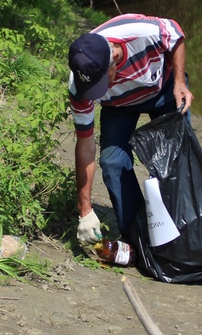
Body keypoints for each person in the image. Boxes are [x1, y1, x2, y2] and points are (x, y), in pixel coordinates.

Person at [67, 13, 193, 244]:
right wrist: (84, 210)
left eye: (101, 84)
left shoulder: (141, 32)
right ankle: (138, 237)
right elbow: (85, 146)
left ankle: (182, 232)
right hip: (119, 106)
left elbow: (175, 34)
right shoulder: (79, 86)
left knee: (174, 161)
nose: (98, 92)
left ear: (114, 57)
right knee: (112, 162)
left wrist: (179, 84)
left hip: (163, 90)